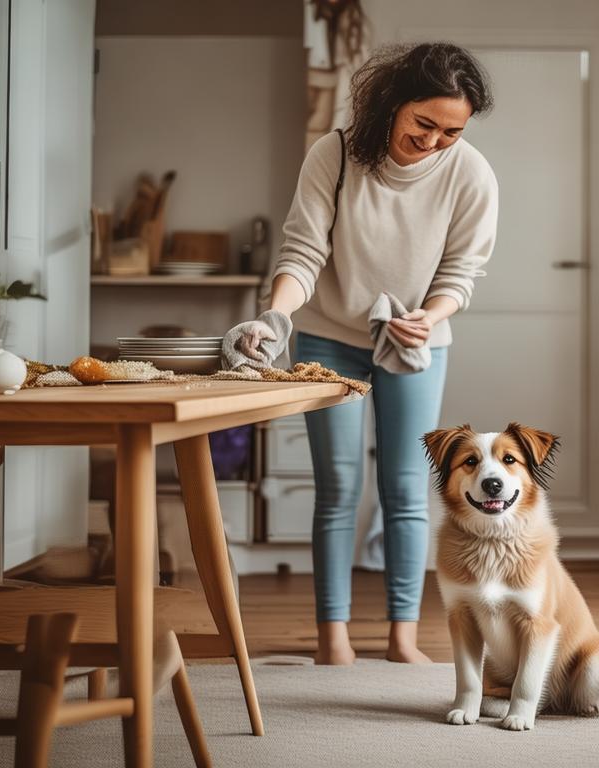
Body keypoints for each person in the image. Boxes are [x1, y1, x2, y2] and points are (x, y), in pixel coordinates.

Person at [227, 42, 498, 665]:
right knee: (338, 486)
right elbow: (301, 251)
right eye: (423, 123)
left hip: (417, 341)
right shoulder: (337, 154)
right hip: (328, 335)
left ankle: (402, 638)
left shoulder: (471, 174)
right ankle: (334, 641)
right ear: (391, 104)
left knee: (408, 489)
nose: (432, 141)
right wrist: (279, 314)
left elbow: (461, 272)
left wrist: (429, 319)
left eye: (451, 131)